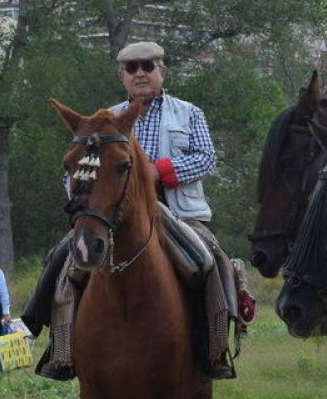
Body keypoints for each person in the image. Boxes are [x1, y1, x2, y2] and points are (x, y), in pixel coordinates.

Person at [24, 41, 250, 381]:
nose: (140, 73)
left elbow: (205, 157)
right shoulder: (103, 120)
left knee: (210, 260)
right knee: (62, 257)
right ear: (122, 76)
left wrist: (158, 171)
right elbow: (79, 169)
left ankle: (214, 349)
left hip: (177, 213)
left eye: (148, 66)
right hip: (115, 220)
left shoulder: (188, 112)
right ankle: (54, 346)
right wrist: (84, 198)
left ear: (162, 71)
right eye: (132, 68)